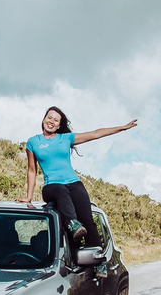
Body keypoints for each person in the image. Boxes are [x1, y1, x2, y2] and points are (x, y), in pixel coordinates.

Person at [16, 107, 137, 254]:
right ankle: (73, 224)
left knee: (88, 221)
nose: (51, 122)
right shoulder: (33, 142)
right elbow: (31, 170)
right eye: (49, 117)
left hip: (73, 183)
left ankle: (98, 260)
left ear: (59, 125)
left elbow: (95, 133)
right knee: (61, 191)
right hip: (51, 187)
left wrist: (122, 128)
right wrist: (28, 197)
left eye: (56, 120)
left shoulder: (66, 138)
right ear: (43, 119)